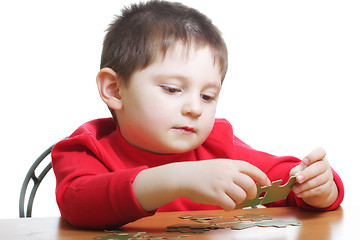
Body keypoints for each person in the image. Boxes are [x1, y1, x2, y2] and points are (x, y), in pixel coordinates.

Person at [52, 0, 344, 229]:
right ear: (115, 90)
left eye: (208, 96)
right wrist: (178, 178)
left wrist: (317, 187)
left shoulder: (217, 144)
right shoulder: (85, 149)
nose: (195, 108)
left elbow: (280, 177)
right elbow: (77, 204)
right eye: (172, 89)